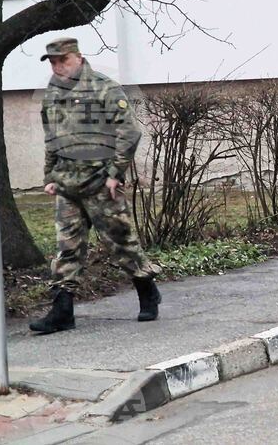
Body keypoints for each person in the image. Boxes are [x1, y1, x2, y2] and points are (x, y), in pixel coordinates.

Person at [29, 38, 161, 335]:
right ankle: (62, 311)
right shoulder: (53, 92)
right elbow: (52, 137)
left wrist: (115, 172)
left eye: (63, 60)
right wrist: (50, 176)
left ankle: (147, 291)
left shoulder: (104, 88)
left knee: (121, 242)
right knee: (67, 248)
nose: (57, 67)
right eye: (53, 62)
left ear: (78, 57)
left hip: (101, 182)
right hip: (67, 185)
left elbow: (129, 132)